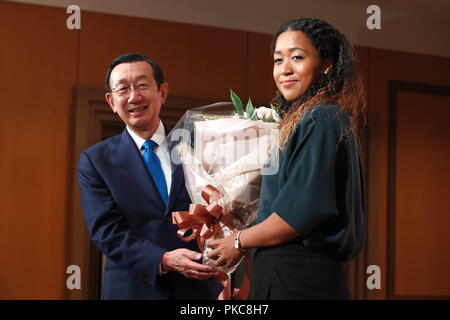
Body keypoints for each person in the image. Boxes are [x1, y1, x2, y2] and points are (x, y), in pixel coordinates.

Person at [207, 18, 366, 299]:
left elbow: (298, 216)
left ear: (327, 64)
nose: (285, 69)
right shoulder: (305, 120)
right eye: (278, 60)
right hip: (283, 270)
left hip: (301, 277)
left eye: (297, 57)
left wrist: (239, 240)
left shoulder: (322, 117)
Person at [77, 53, 222, 299]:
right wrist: (163, 259)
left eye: (143, 85)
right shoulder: (96, 160)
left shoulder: (201, 146)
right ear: (111, 102)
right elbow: (106, 230)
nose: (134, 96)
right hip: (132, 289)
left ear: (162, 92)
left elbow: (226, 207)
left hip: (200, 288)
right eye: (123, 89)